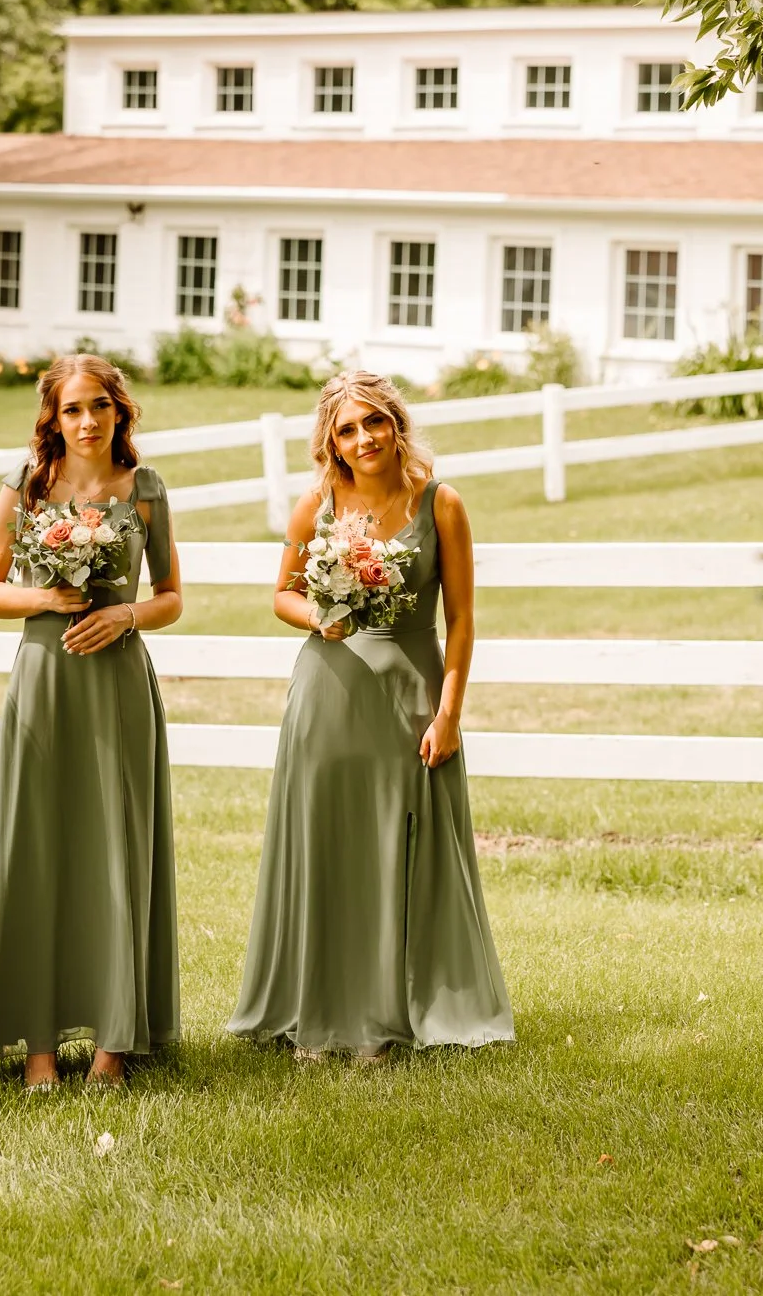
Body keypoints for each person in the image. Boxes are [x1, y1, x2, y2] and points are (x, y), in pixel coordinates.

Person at [228, 370, 514, 1061]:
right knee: (328, 845)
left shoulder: (441, 503)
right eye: (348, 429)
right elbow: (282, 595)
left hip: (408, 696)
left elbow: (464, 619)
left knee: (396, 847)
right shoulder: (316, 504)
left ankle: (388, 1015)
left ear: (397, 423)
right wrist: (320, 615)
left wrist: (448, 715)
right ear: (332, 439)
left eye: (374, 422)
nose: (364, 439)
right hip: (327, 695)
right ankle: (319, 1010)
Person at [0, 355, 180, 1091]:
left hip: (117, 683)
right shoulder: (24, 489)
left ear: (121, 411)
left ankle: (116, 1044)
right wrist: (47, 601)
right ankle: (40, 1049)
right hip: (45, 681)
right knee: (41, 849)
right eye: (72, 409)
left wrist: (126, 612)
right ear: (52, 417)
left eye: (100, 407)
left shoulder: (145, 490)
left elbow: (172, 595)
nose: (87, 422)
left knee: (116, 845)